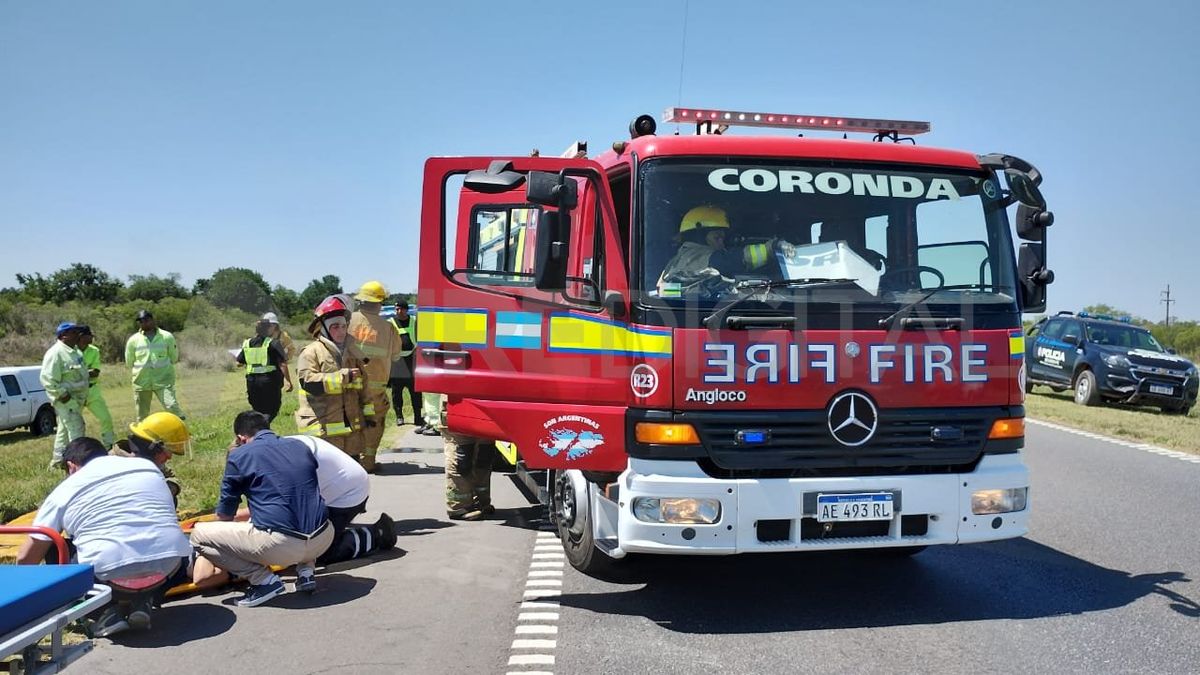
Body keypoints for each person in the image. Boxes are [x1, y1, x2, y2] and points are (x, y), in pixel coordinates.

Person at [17, 437, 191, 637]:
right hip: (171, 567)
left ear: (71, 466)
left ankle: (104, 613)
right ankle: (142, 601)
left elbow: (26, 558)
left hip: (108, 577)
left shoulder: (66, 488)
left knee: (52, 545)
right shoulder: (146, 467)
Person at [190, 411, 334, 606]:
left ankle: (264, 581)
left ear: (241, 437)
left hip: (281, 545)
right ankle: (306, 572)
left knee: (198, 535)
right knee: (301, 510)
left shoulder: (239, 456)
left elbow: (225, 515)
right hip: (323, 538)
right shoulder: (299, 445)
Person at [295, 295, 373, 463]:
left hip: (351, 433)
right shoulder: (311, 352)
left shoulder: (352, 352)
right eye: (335, 327)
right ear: (323, 328)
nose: (341, 331)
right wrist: (342, 377)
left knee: (351, 479)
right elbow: (308, 382)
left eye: (344, 326)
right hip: (323, 433)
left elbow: (364, 386)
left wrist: (369, 415)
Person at [656, 205, 785, 297]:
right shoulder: (696, 255)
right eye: (717, 237)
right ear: (699, 235)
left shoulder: (678, 258)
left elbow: (667, 291)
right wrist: (770, 249)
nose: (722, 243)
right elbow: (730, 261)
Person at [348, 281, 403, 472]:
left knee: (350, 422)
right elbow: (396, 355)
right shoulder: (388, 328)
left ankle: (349, 463)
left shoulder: (346, 322)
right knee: (374, 423)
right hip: (376, 388)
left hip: (348, 384)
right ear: (379, 303)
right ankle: (368, 462)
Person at [430, 394, 494, 520]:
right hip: (457, 401)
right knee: (461, 457)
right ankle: (459, 507)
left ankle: (480, 501)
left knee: (484, 455)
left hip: (486, 401)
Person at [109, 411, 189, 505]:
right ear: (152, 447)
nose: (169, 457)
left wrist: (170, 487)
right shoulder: (111, 465)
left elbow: (171, 478)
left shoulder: (150, 460)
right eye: (167, 451)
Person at [39, 322, 89, 467]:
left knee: (63, 430)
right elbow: (47, 379)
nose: (77, 335)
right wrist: (63, 395)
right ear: (63, 335)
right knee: (77, 428)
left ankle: (57, 462)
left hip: (77, 400)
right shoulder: (55, 353)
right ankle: (78, 463)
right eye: (74, 332)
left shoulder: (75, 352)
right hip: (66, 401)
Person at [124, 309, 184, 422]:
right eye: (141, 321)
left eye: (146, 320)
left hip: (163, 380)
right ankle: (143, 438)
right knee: (142, 415)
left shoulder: (167, 337)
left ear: (152, 320)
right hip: (141, 381)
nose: (144, 323)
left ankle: (182, 433)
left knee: (171, 406)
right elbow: (129, 362)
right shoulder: (133, 340)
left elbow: (174, 357)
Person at [235, 316, 294, 422]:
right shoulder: (274, 343)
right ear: (268, 329)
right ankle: (261, 432)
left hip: (252, 383)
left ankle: (259, 431)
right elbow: (283, 364)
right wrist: (288, 381)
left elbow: (238, 362)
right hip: (269, 382)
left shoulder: (247, 343)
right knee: (271, 410)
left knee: (258, 410)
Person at [76, 325, 115, 449]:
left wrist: (79, 373)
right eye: (89, 336)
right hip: (76, 391)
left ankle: (109, 445)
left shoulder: (94, 350)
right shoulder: (71, 351)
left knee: (106, 418)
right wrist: (86, 372)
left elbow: (95, 372)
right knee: (74, 423)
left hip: (92, 390)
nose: (92, 338)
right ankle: (73, 449)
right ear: (81, 337)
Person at [388, 301, 424, 429]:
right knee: (396, 392)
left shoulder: (414, 321)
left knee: (415, 391)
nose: (399, 312)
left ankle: (418, 417)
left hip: (412, 358)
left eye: (401, 309)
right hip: (397, 361)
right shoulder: (391, 322)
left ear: (406, 310)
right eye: (397, 309)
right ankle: (399, 416)